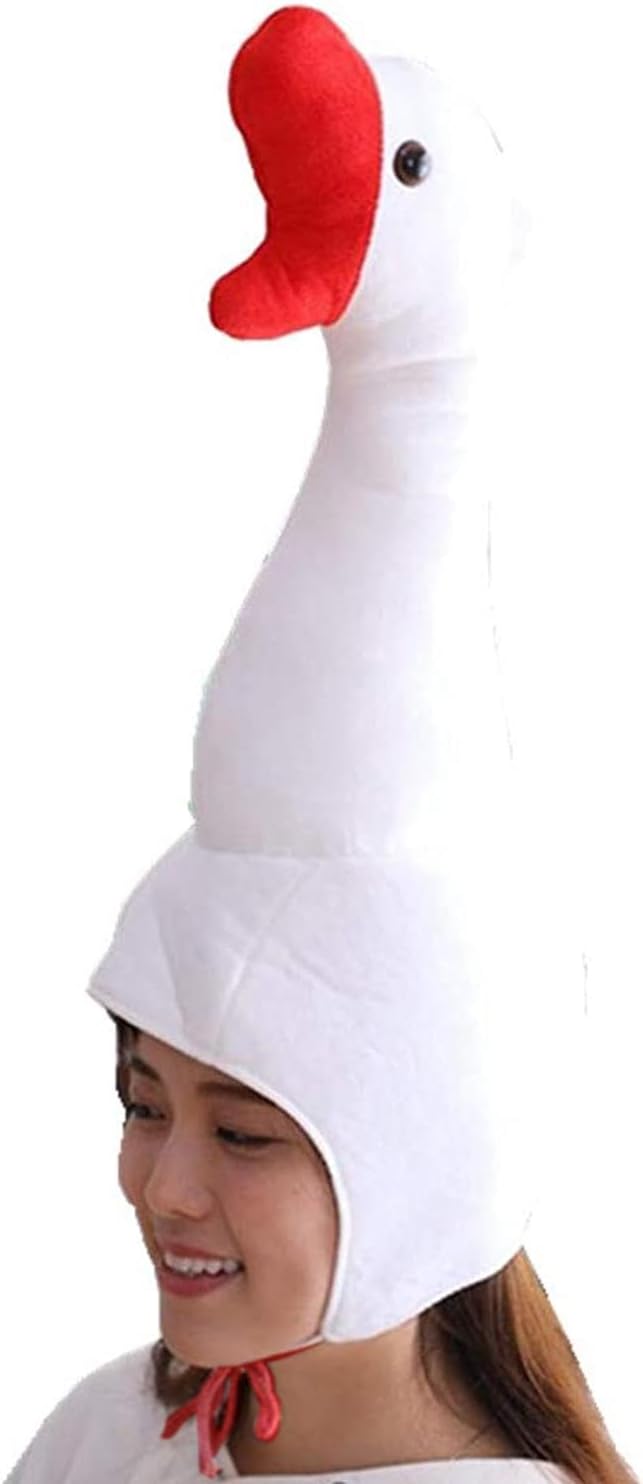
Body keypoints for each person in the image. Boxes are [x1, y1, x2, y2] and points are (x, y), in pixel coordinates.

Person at [6, 7, 638, 1484]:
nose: (159, 1186)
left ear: (424, 1158)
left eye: (245, 1132)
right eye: (144, 1102)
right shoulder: (115, 1429)